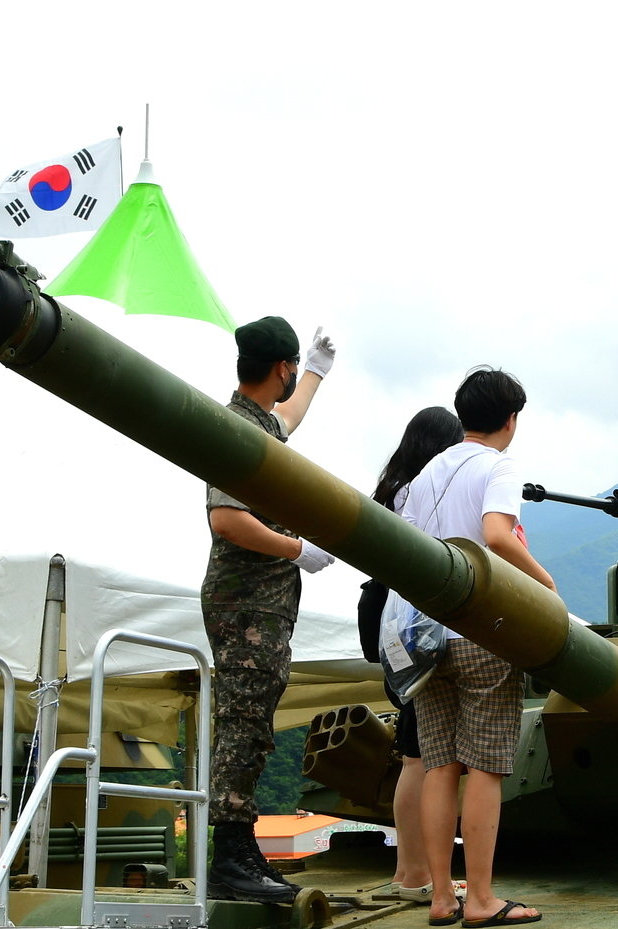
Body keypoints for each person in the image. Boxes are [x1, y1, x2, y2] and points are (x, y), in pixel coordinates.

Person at [403, 367, 552, 927]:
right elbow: (495, 534)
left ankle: (443, 898)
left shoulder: (424, 475)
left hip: (425, 636)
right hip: (482, 629)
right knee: (485, 768)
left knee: (440, 765)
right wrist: (545, 583)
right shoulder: (499, 465)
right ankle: (483, 900)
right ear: (510, 420)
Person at [201, 316, 338, 903]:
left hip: (261, 608)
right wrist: (297, 549)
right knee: (242, 725)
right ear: (277, 369)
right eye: (293, 371)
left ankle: (241, 846)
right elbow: (226, 519)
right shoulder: (235, 430)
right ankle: (230, 855)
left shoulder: (255, 422)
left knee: (253, 725)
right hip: (246, 606)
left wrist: (315, 373)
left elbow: (286, 417)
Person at [358, 406, 467, 904]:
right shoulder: (421, 493)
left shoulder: (391, 487)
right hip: (413, 623)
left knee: (412, 753)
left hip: (385, 622)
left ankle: (409, 869)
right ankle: (418, 870)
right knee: (421, 756)